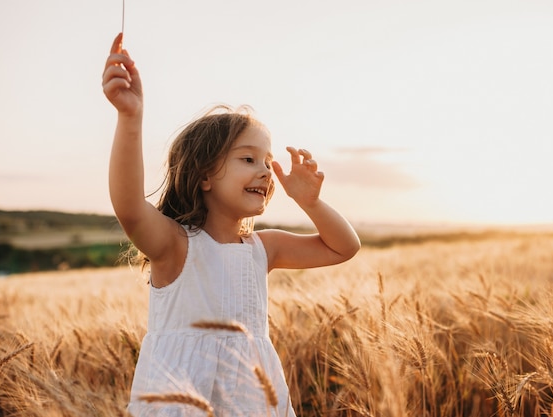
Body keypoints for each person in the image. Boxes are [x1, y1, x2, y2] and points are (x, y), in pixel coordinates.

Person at [102, 32, 360, 417]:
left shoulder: (263, 248)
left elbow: (344, 247)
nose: (264, 172)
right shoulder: (175, 246)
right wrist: (130, 116)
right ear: (205, 175)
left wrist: (311, 202)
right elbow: (129, 205)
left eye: (266, 160)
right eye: (247, 159)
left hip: (253, 401)